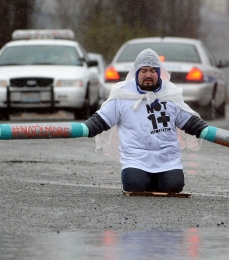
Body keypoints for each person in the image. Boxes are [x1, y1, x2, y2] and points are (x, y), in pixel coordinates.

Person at [83, 48, 208, 193]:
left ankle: (159, 179)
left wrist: (208, 131)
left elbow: (190, 122)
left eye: (152, 71)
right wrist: (83, 128)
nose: (148, 75)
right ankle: (140, 179)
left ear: (159, 72)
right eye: (143, 71)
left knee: (174, 186)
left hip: (167, 160)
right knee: (135, 185)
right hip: (136, 159)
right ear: (136, 73)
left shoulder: (170, 93)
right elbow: (100, 121)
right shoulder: (123, 94)